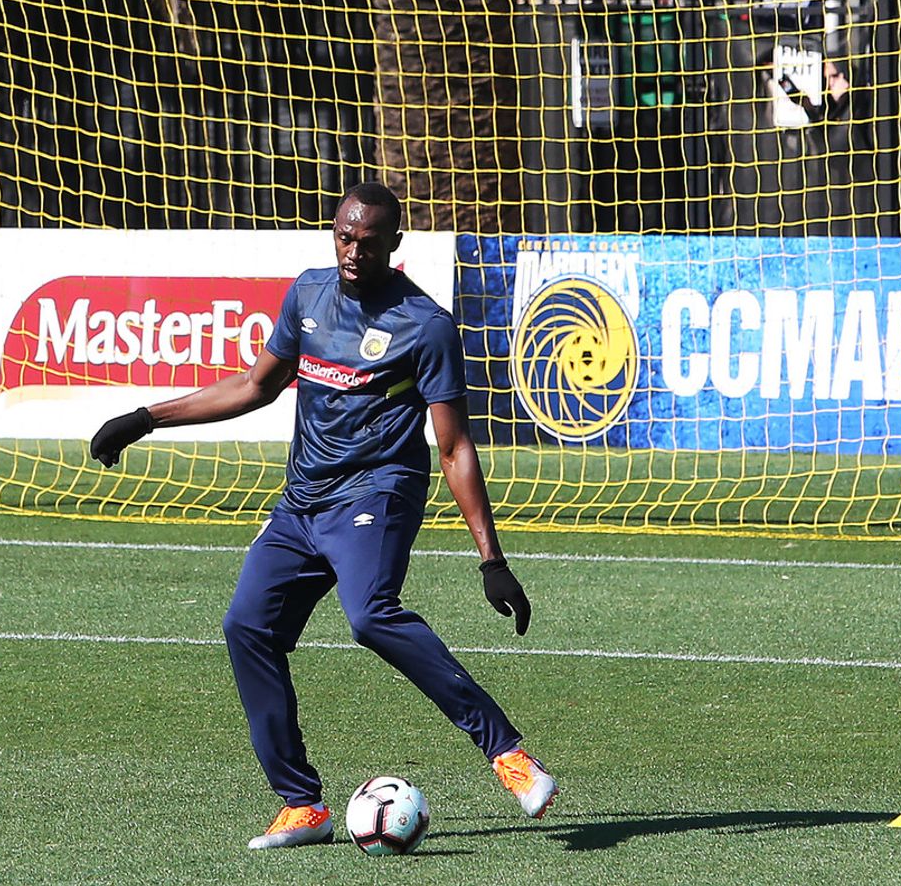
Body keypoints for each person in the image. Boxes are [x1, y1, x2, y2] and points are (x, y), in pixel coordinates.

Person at [90, 181, 558, 850]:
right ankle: (301, 805)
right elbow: (256, 385)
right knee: (247, 626)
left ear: (394, 245)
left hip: (377, 495)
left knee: (370, 616)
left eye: (367, 241)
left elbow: (453, 446)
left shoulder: (425, 327)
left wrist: (492, 558)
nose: (352, 250)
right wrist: (146, 417)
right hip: (302, 502)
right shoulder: (308, 294)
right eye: (343, 235)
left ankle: (509, 755)